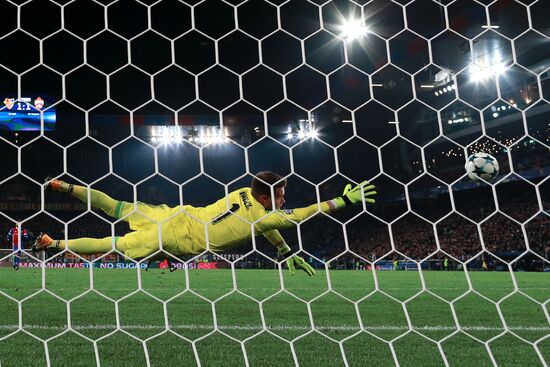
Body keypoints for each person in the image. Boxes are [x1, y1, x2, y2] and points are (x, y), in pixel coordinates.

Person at [32, 172, 377, 275]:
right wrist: (343, 201)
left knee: (117, 206)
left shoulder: (245, 192)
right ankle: (55, 244)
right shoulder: (261, 214)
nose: (285, 202)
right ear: (265, 197)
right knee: (113, 244)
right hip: (176, 241)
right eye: (281, 196)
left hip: (176, 213)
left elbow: (263, 225)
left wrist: (285, 253)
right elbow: (298, 216)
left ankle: (65, 185)